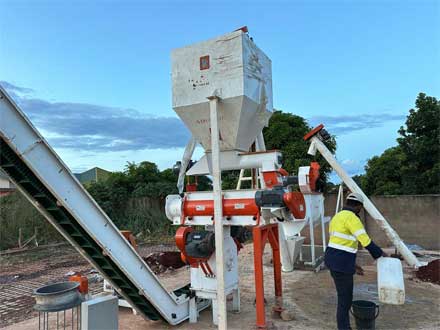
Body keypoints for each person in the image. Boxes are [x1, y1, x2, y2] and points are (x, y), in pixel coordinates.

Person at [324, 192, 387, 330]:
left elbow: (340, 244)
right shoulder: (352, 218)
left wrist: (353, 265)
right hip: (341, 264)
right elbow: (365, 241)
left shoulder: (337, 217)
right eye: (360, 208)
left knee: (344, 298)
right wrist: (381, 254)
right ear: (359, 206)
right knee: (344, 301)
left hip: (333, 260)